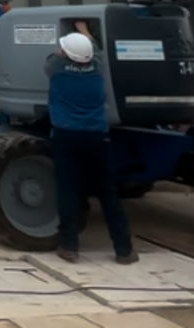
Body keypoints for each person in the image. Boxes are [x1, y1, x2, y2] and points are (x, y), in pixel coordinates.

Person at [46, 28, 137, 265]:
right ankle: (124, 249)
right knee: (108, 193)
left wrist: (71, 40)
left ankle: (69, 246)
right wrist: (85, 31)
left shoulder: (55, 68)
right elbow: (93, 52)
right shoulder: (97, 70)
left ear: (66, 54)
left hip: (67, 136)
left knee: (68, 191)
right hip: (97, 136)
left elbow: (53, 57)